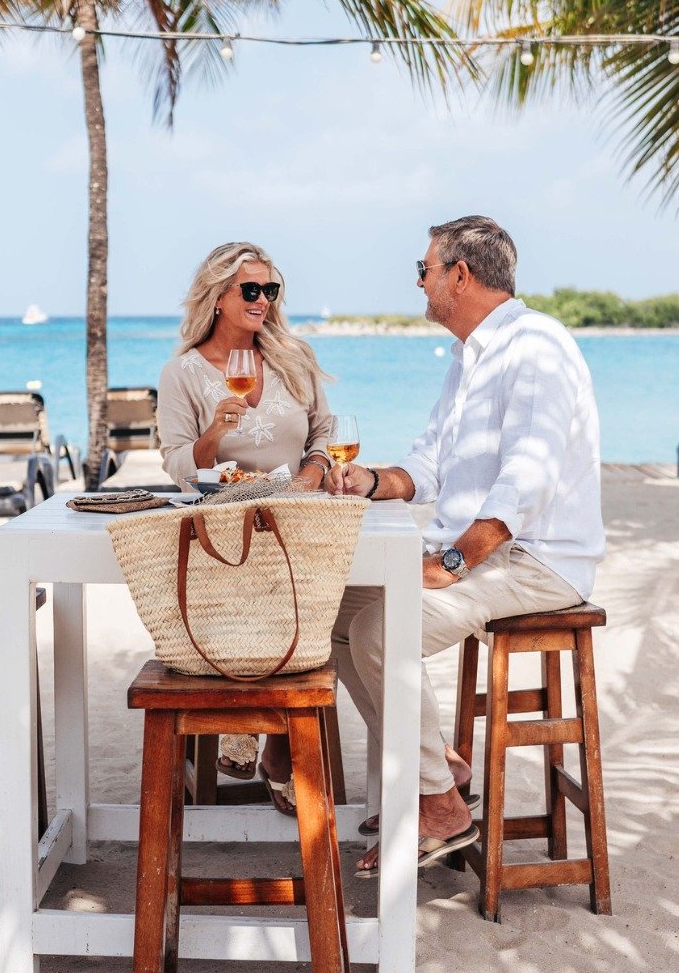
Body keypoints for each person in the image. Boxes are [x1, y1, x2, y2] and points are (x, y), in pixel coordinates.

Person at [327, 215, 605, 878]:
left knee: (378, 629)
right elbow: (428, 465)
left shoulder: (536, 345)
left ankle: (440, 807)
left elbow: (526, 483)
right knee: (335, 614)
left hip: (536, 560)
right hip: (485, 553)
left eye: (423, 270)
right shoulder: (467, 357)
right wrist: (368, 481)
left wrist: (451, 563)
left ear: (460, 273)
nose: (418, 283)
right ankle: (442, 767)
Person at [157, 241, 333, 813]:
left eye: (270, 290)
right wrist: (214, 431)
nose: (262, 301)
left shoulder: (293, 357)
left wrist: (312, 474)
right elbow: (179, 462)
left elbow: (324, 433)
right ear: (217, 298)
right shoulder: (183, 373)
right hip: (222, 531)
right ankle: (271, 740)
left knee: (317, 595)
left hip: (295, 520)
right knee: (262, 589)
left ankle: (266, 740)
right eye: (250, 290)